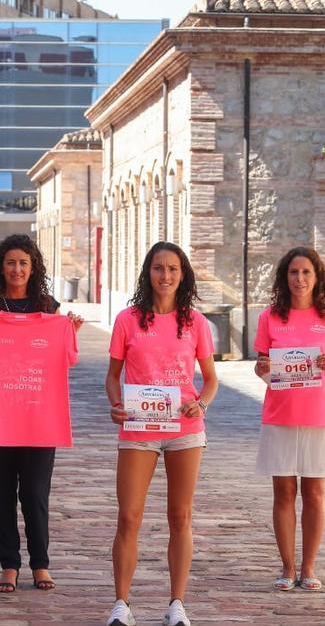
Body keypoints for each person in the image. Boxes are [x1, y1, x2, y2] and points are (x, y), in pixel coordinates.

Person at [0, 234, 83, 593]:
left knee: (35, 494)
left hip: (39, 420)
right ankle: (9, 565)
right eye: (10, 262)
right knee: (0, 495)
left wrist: (69, 331)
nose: (16, 269)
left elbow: (68, 359)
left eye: (23, 263)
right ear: (1, 267)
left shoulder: (49, 308)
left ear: (33, 268)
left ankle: (40, 564)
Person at [104, 242, 218, 626]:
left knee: (180, 516)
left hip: (186, 430)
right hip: (138, 428)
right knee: (129, 516)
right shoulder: (127, 320)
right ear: (147, 272)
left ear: (182, 274)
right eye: (158, 268)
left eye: (172, 268)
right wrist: (116, 403)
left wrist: (201, 404)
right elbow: (112, 375)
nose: (165, 276)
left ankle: (177, 604)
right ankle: (122, 604)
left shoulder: (196, 323)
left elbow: (211, 380)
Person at [253, 247, 325, 592]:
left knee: (315, 492)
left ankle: (308, 567)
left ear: (317, 276)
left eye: (306, 272)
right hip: (280, 413)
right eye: (294, 272)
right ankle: (287, 566)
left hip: (320, 414)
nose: (300, 279)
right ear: (285, 277)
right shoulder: (269, 318)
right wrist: (263, 369)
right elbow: (262, 366)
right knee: (283, 491)